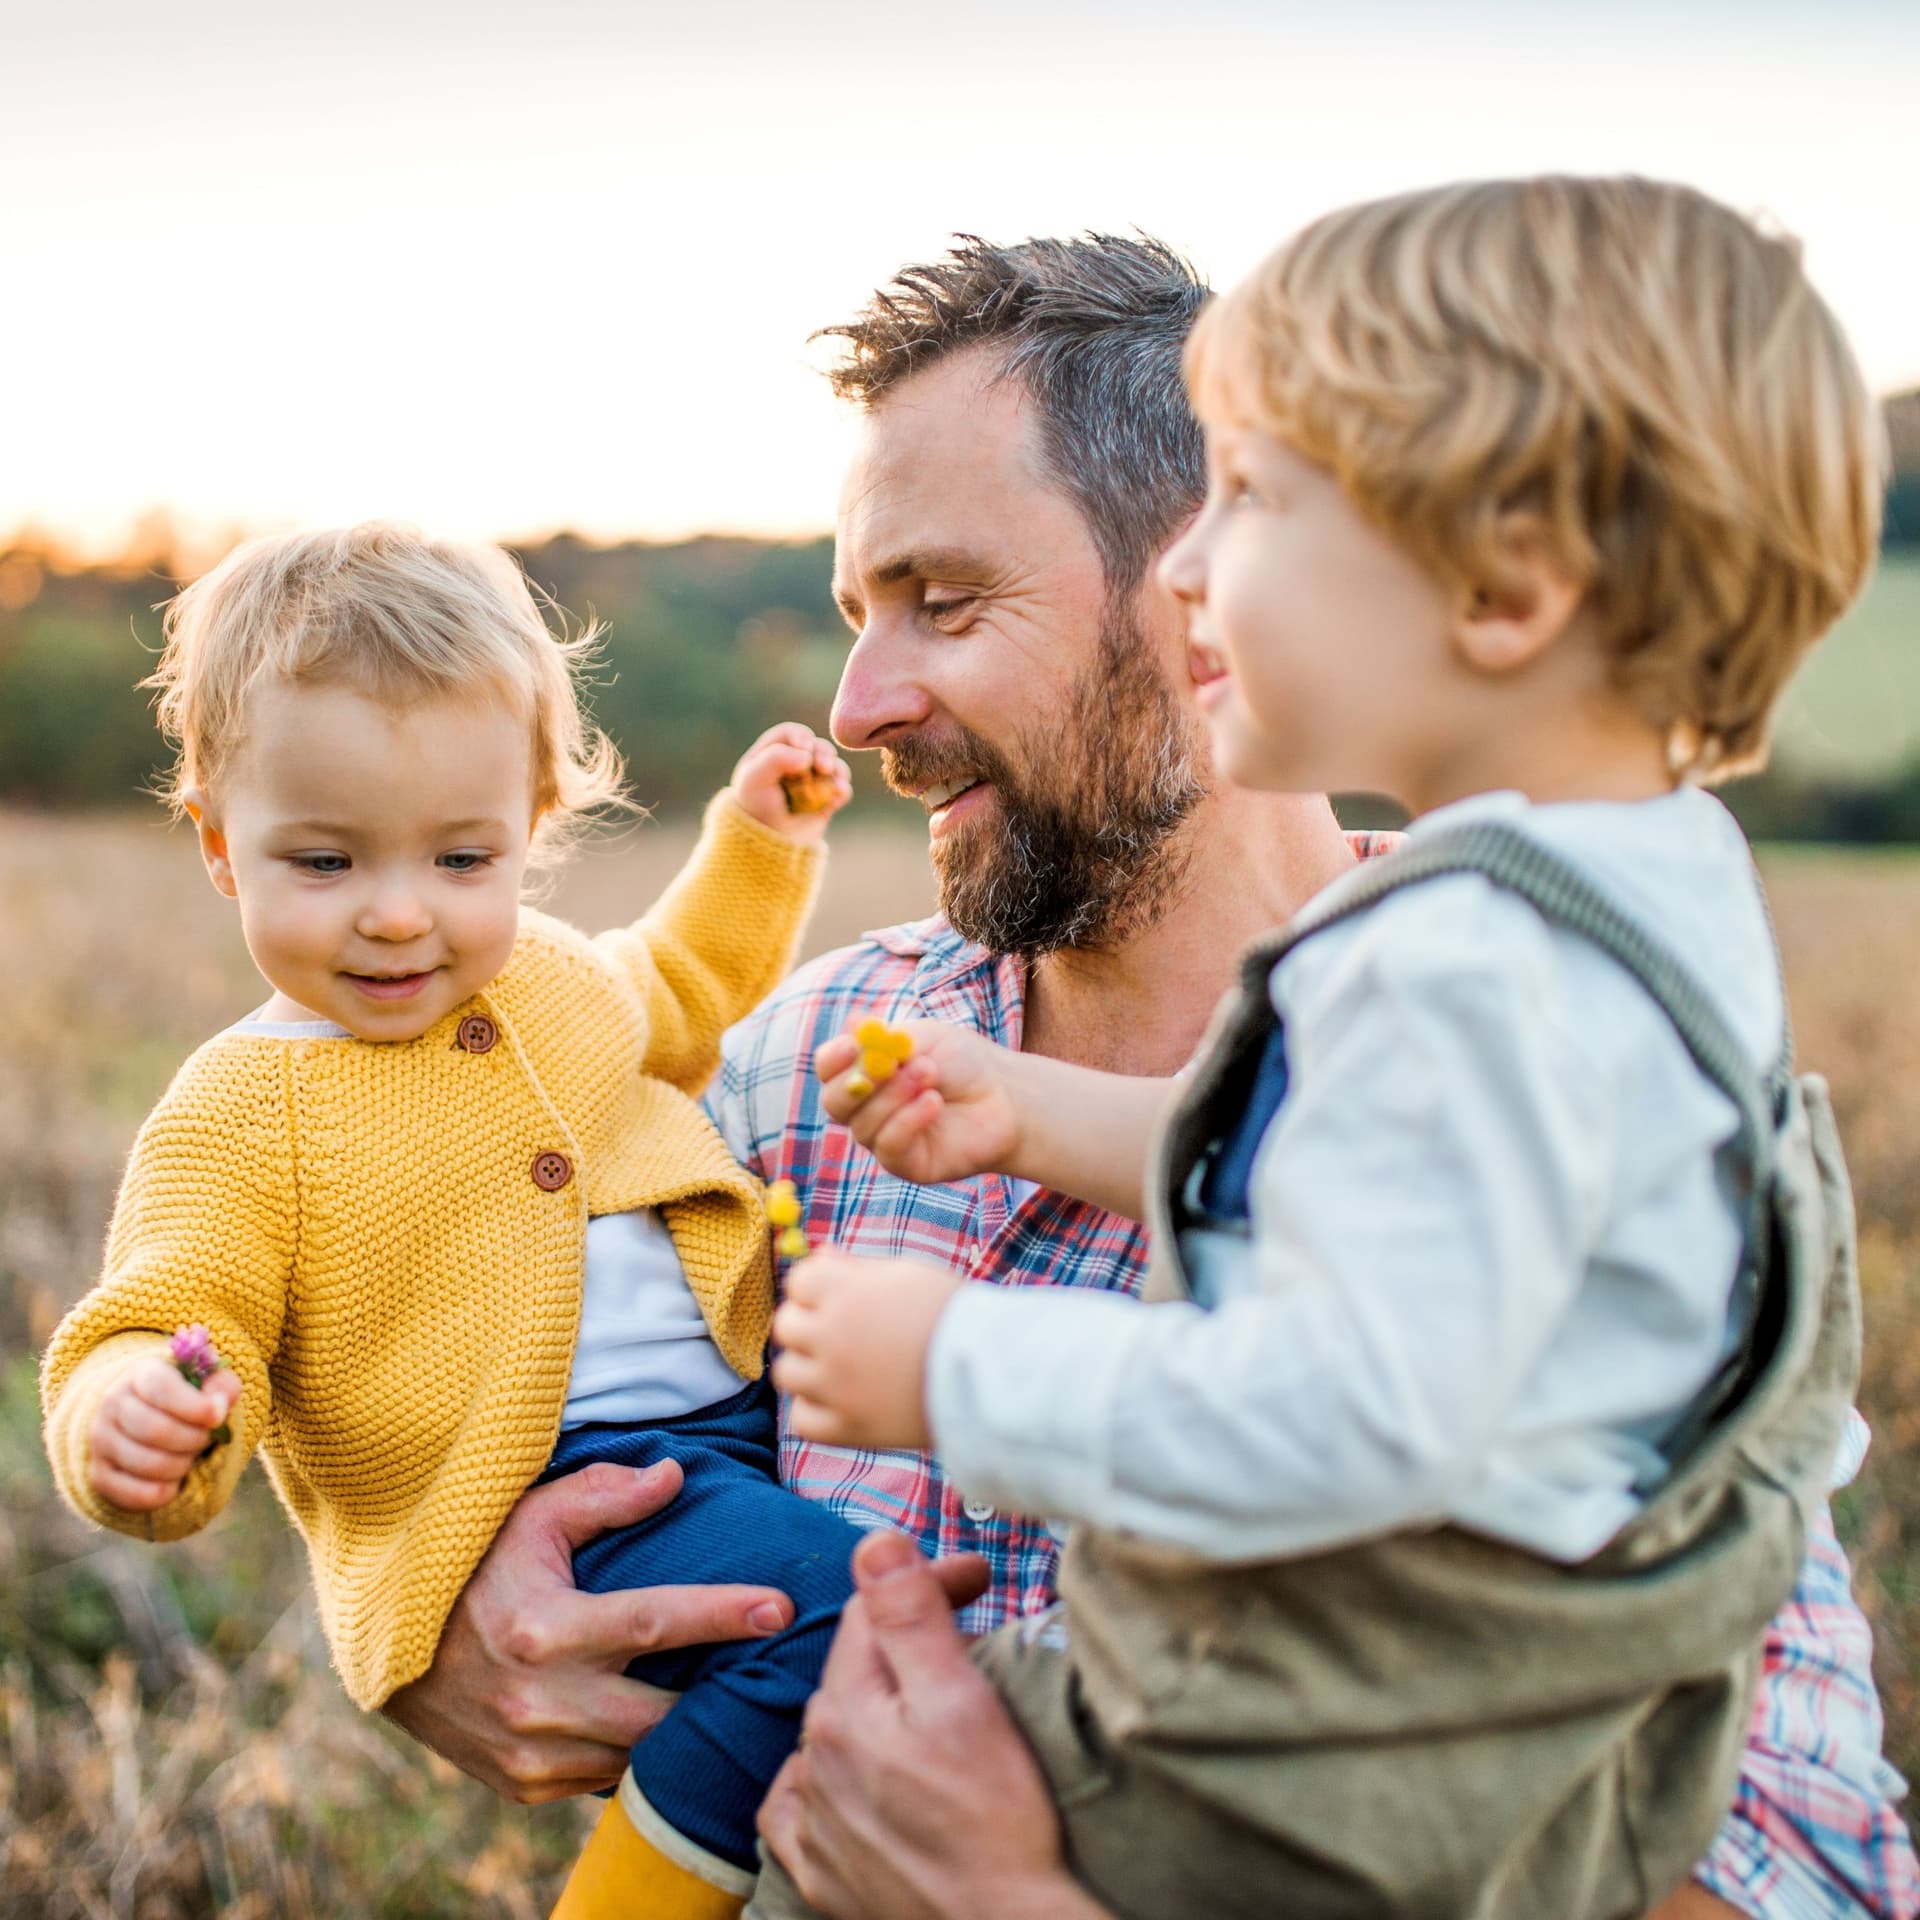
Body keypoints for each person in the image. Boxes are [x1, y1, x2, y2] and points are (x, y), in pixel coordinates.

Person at [382, 238, 1918, 1920]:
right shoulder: (795, 1075)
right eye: (856, 617)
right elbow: (485, 1370)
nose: (860, 706)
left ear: (1197, 586)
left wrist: (1016, 1905)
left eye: (944, 601)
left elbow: (1800, 1868)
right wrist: (435, 1617)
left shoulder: (1572, 1070)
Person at [37, 523, 868, 1917]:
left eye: (462, 859)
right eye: (325, 863)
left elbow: (680, 984)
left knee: (875, 1620)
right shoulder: (243, 1107)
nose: (397, 916)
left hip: (741, 1424)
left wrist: (759, 842)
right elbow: (170, 1311)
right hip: (569, 1487)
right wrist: (132, 1414)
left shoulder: (552, 981)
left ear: (531, 825)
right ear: (221, 843)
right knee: (842, 1609)